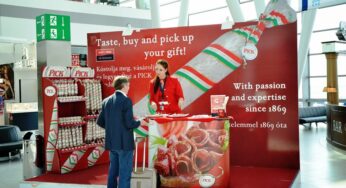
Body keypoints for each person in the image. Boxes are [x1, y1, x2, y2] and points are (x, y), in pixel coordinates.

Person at [97, 76, 147, 188]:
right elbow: (129, 123)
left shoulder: (106, 101)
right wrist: (140, 122)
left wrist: (113, 129)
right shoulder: (126, 101)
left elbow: (100, 121)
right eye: (128, 85)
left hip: (111, 142)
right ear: (124, 86)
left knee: (113, 172)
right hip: (124, 144)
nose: (129, 87)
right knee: (124, 174)